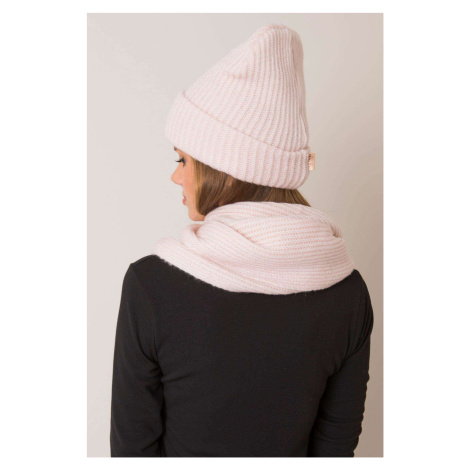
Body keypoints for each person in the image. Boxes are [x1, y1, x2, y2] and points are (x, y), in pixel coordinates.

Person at [110, 23, 374, 457]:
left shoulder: (151, 286)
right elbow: (335, 451)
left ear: (228, 169)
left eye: (184, 160)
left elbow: (132, 453)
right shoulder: (348, 293)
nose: (175, 175)